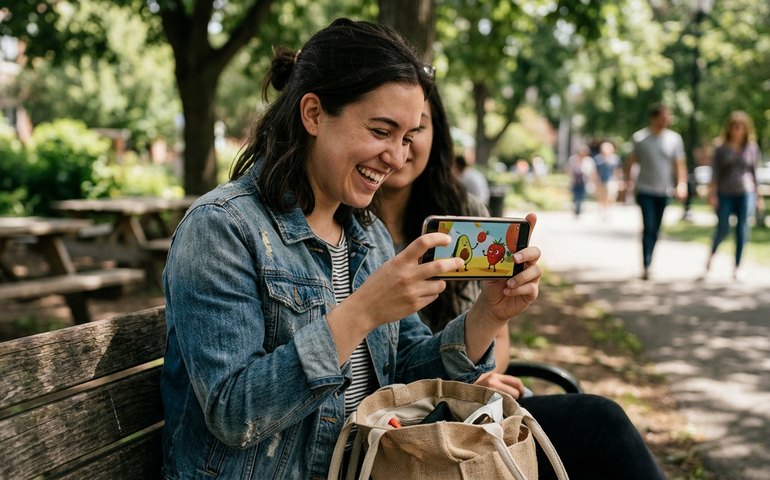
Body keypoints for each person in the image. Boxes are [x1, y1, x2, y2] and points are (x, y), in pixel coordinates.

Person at [159, 19, 542, 480]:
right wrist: (361, 312)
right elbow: (234, 413)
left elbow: (404, 369)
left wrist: (489, 314)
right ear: (314, 114)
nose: (398, 158)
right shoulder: (223, 229)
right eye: (382, 131)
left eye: (407, 137)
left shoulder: (367, 234)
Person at [380, 86, 666, 480]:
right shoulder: (356, 229)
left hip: (470, 396)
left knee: (599, 420)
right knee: (597, 421)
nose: (400, 150)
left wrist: (483, 358)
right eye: (383, 130)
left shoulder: (464, 214)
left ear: (437, 134)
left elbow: (489, 336)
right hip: (404, 419)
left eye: (414, 131)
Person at [624, 103, 687, 280]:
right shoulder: (640, 138)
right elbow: (631, 162)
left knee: (656, 228)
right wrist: (628, 184)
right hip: (645, 189)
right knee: (648, 226)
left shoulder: (674, 139)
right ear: (654, 118)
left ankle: (650, 260)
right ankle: (646, 263)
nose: (664, 122)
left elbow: (679, 164)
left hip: (664, 190)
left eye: (667, 119)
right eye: (661, 119)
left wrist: (681, 184)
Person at [705, 111, 764, 279]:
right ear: (730, 128)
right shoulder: (720, 147)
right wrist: (712, 193)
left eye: (741, 127)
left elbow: (754, 173)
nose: (738, 130)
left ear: (746, 129)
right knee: (723, 228)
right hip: (725, 192)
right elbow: (714, 172)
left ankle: (737, 266)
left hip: (746, 192)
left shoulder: (751, 147)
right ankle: (712, 254)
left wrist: (758, 196)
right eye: (735, 126)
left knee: (742, 229)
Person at [593, 141, 621, 219]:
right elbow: (595, 171)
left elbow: (617, 170)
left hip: (612, 180)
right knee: (602, 197)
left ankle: (608, 210)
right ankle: (603, 211)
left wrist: (619, 180)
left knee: (610, 196)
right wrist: (595, 181)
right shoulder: (597, 159)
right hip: (600, 181)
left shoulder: (615, 159)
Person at [567, 145, 596, 217]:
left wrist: (593, 181)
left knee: (582, 196)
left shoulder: (589, 161)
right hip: (575, 181)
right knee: (575, 195)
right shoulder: (573, 159)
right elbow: (568, 170)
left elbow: (592, 172)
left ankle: (579, 208)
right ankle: (576, 207)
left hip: (584, 181)